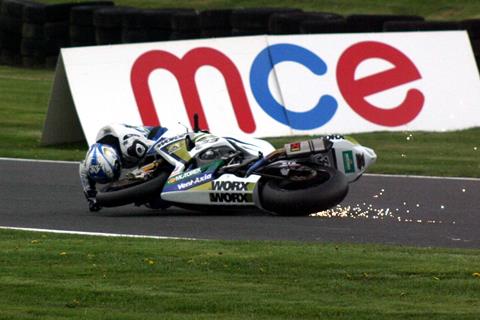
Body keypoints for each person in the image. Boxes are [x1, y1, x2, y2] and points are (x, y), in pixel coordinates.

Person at [79, 123, 168, 212]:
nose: (114, 179)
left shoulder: (131, 147)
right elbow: (83, 169)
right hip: (142, 157)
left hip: (158, 137)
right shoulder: (91, 160)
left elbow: (159, 146)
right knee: (154, 203)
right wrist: (91, 196)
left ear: (114, 159)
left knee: (155, 196)